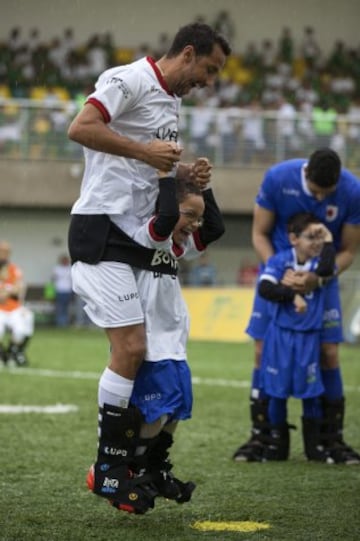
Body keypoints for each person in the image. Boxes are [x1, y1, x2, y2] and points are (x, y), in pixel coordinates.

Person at [67, 23, 231, 514]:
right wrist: (147, 151)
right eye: (209, 69)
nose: (209, 81)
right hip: (101, 228)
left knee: (148, 353)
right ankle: (108, 467)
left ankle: (133, 467)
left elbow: (148, 166)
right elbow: (80, 128)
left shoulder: (172, 102)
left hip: (136, 237)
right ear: (187, 53)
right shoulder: (129, 78)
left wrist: (183, 173)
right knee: (132, 347)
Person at [87, 167, 225, 512]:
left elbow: (216, 228)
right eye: (189, 215)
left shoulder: (177, 248)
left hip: (174, 343)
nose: (194, 223)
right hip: (150, 341)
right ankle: (122, 470)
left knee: (175, 411)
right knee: (156, 411)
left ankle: (152, 468)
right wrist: (166, 176)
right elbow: (164, 219)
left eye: (197, 217)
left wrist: (203, 189)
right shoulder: (151, 235)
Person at [233, 147, 360, 464]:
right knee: (262, 351)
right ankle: (264, 436)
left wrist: (316, 278)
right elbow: (259, 233)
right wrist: (281, 273)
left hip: (322, 282)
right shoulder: (278, 178)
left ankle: (330, 440)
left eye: (327, 194)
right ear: (305, 175)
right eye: (316, 192)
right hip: (279, 276)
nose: (320, 198)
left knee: (329, 354)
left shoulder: (352, 190)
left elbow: (348, 250)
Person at [257, 213, 336, 462]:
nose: (316, 242)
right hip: (280, 337)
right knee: (277, 392)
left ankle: (314, 449)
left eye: (320, 237)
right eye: (311, 236)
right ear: (293, 238)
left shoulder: (319, 265)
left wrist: (330, 240)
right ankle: (277, 448)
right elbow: (265, 288)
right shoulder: (280, 261)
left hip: (309, 338)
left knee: (310, 391)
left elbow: (326, 268)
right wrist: (292, 295)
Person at [0, 240, 34, 366]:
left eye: (6, 251)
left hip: (13, 308)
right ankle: (3, 355)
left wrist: (6, 292)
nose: (4, 253)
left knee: (21, 329)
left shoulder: (14, 269)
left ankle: (14, 353)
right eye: (2, 251)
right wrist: (9, 291)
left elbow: (19, 289)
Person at [52, 254, 73, 327]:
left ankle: (66, 322)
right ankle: (60, 322)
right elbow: (53, 278)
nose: (65, 261)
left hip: (68, 290)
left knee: (67, 307)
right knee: (60, 307)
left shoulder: (70, 268)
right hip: (59, 290)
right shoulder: (57, 268)